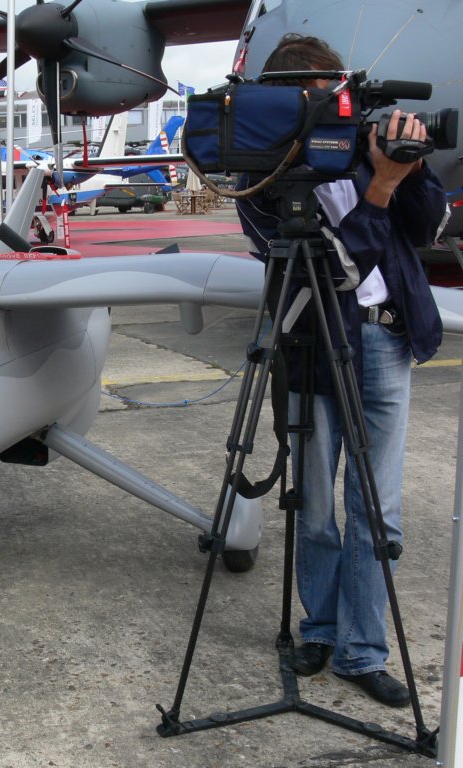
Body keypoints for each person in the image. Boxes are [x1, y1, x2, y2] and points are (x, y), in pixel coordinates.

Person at [236, 34, 448, 707]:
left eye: (339, 93)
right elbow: (333, 266)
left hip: (386, 338)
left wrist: (408, 165)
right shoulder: (259, 176)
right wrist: (379, 186)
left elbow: (426, 230)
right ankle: (321, 630)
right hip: (312, 344)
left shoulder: (365, 144)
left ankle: (362, 650)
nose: (337, 107)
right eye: (321, 96)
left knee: (378, 509)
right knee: (316, 507)